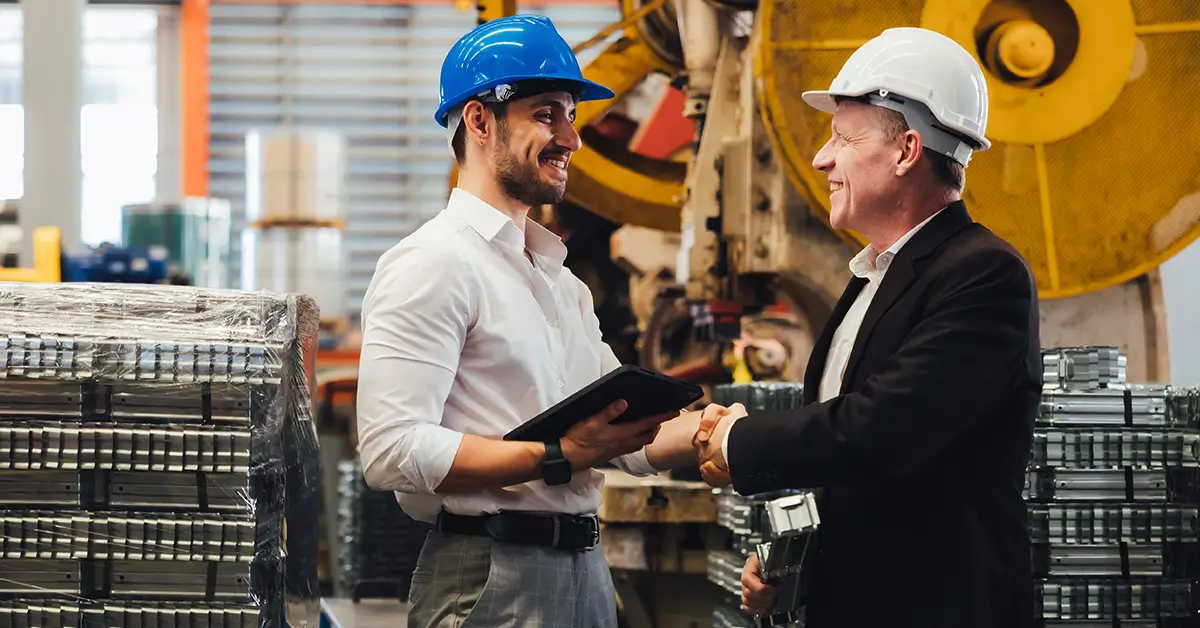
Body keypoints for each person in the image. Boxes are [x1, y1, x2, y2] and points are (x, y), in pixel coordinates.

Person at [356, 15, 705, 628]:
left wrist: (713, 435)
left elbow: (621, 438)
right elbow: (391, 449)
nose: (571, 139)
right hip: (489, 571)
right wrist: (555, 455)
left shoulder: (559, 282)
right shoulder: (433, 263)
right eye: (547, 114)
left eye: (570, 116)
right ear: (479, 120)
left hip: (585, 573)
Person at [693, 27, 1042, 628]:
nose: (821, 158)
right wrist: (792, 563)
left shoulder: (984, 274)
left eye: (843, 138)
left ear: (907, 151)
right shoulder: (873, 277)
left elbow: (884, 429)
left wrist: (736, 439)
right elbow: (850, 468)